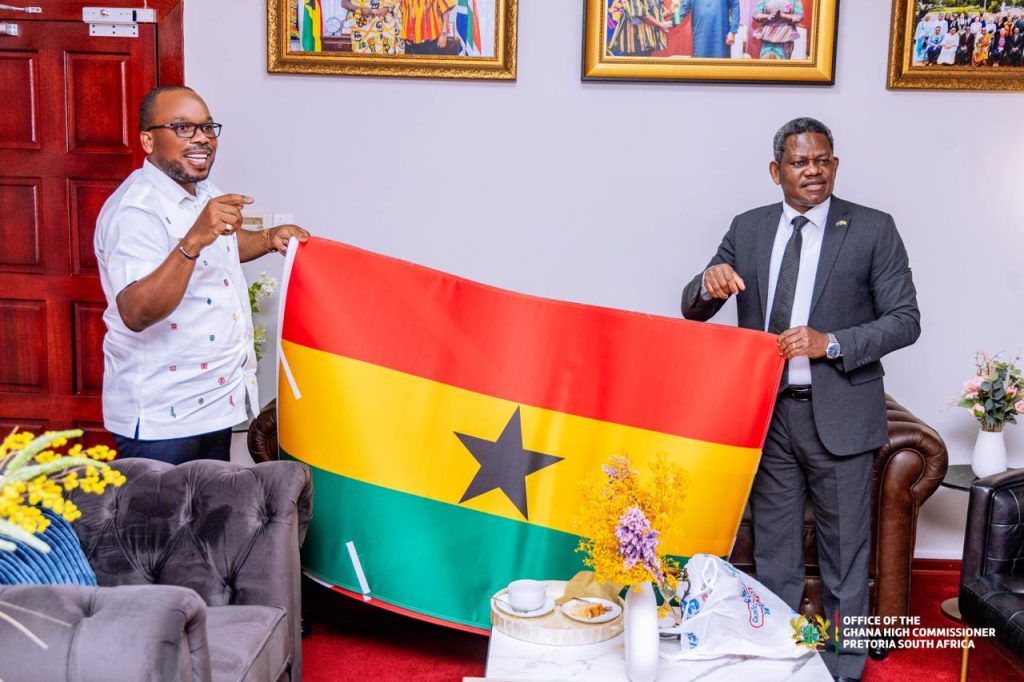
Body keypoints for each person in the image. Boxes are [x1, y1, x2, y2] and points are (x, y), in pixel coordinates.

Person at [680, 118, 920, 682]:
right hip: (768, 415)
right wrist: (708, 281)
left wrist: (829, 342)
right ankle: (781, 660)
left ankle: (844, 667)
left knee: (845, 556)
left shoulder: (872, 228)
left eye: (822, 160)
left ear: (834, 165)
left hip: (839, 414)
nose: (813, 171)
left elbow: (905, 320)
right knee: (775, 555)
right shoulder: (749, 228)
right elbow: (694, 306)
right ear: (776, 171)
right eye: (800, 162)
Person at [94, 86, 311, 465]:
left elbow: (223, 247)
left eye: (207, 127)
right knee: (166, 508)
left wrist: (267, 238)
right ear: (148, 140)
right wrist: (194, 238)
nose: (201, 138)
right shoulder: (134, 211)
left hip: (214, 403)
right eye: (182, 127)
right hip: (164, 416)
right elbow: (136, 311)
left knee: (212, 504)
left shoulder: (202, 191)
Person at [675, 0, 740, 59]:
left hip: (720, 39)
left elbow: (735, 6)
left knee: (721, 66)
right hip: (701, 41)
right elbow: (682, 10)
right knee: (701, 66)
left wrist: (732, 31)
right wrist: (672, 22)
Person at [607, 0, 673, 56]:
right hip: (635, 42)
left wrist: (669, 13)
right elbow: (640, 14)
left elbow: (654, 13)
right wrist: (661, 25)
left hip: (647, 42)